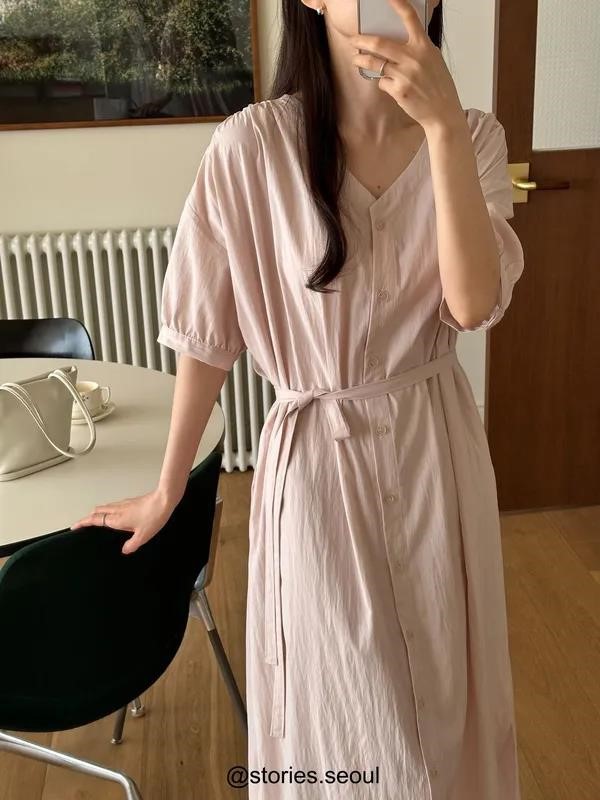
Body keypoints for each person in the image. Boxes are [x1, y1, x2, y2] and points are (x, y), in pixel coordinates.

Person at [71, 0, 525, 797]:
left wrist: (445, 130)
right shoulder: (252, 147)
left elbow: (472, 304)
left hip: (436, 455)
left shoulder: (475, 137)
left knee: (446, 692)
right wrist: (170, 487)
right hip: (317, 468)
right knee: (343, 703)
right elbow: (207, 336)